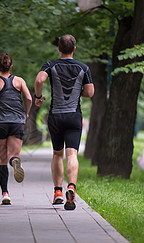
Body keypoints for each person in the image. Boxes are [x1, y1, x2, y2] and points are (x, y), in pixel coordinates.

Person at [34, 35, 94, 210]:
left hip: (56, 116)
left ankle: (58, 192)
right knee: (72, 154)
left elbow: (39, 80)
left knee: (57, 154)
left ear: (59, 49)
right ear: (74, 48)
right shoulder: (84, 68)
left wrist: (38, 97)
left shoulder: (50, 65)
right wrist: (78, 93)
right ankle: (71, 188)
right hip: (74, 116)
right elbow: (90, 92)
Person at [0, 53, 32, 205]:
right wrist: (26, 112)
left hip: (0, 123)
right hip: (17, 121)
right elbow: (29, 98)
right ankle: (15, 161)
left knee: (1, 159)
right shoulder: (19, 81)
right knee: (13, 155)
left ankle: (5, 194)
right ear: (11, 66)